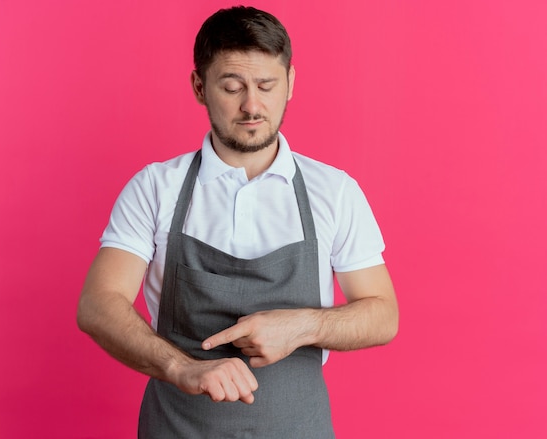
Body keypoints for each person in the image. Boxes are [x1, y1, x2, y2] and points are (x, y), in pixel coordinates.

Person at [77, 5, 398, 438]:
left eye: (267, 85)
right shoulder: (155, 187)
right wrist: (181, 367)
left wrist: (302, 325)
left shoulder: (334, 191)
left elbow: (383, 315)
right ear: (199, 86)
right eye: (232, 87)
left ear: (290, 85)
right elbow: (98, 304)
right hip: (176, 427)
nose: (252, 105)